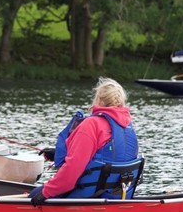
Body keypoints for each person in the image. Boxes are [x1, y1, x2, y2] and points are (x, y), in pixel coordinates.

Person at [30, 77, 140, 205]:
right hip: (116, 196)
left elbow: (71, 172)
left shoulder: (91, 125)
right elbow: (111, 157)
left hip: (89, 197)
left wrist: (45, 193)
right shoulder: (127, 126)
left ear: (98, 99)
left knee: (33, 195)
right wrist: (59, 154)